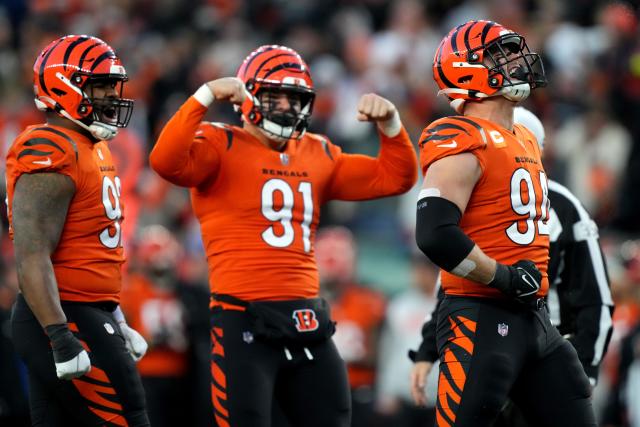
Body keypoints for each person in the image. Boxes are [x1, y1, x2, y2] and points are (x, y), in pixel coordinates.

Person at [149, 44, 418, 427]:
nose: (287, 107)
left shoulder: (317, 152)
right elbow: (165, 162)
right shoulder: (219, 143)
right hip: (243, 315)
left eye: (295, 98)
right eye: (275, 96)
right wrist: (204, 95)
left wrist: (391, 124)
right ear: (247, 95)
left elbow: (396, 178)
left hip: (306, 315)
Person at [411, 20, 596, 426]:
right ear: (467, 69)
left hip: (536, 320)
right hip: (479, 317)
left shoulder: (524, 138)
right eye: (501, 54)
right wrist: (505, 278)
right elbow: (434, 234)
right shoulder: (460, 134)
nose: (515, 61)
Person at [6, 35, 150, 426]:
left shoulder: (90, 145)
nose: (109, 95)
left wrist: (115, 315)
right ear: (63, 85)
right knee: (130, 413)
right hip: (65, 313)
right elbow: (33, 253)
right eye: (99, 85)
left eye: (110, 85)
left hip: (83, 309)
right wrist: (60, 335)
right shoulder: (50, 144)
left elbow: (86, 247)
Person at [315, 226, 387, 427]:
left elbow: (378, 357)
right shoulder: (305, 303)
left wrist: (348, 353)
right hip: (317, 390)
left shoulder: (369, 300)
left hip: (357, 391)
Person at [376, 254, 439, 427]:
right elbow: (388, 350)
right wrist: (386, 392)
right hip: (404, 393)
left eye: (423, 270)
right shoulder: (399, 305)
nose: (418, 275)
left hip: (439, 395)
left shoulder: (446, 305)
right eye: (416, 270)